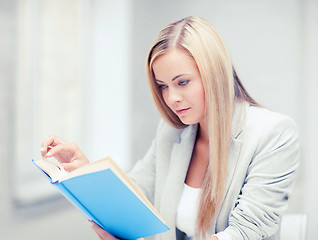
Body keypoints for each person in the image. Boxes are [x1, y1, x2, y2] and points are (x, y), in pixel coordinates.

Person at [40, 16, 300, 240]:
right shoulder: (173, 133)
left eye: (182, 82)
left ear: (215, 74)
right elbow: (133, 198)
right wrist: (86, 172)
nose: (171, 98)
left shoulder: (273, 133)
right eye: (163, 85)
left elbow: (245, 233)